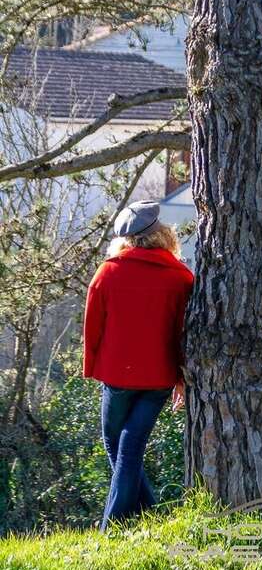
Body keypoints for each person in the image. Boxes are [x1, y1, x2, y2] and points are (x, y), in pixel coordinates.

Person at [82, 199, 194, 532]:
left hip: (117, 376)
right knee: (129, 448)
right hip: (160, 377)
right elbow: (185, 332)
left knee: (118, 445)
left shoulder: (108, 272)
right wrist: (181, 378)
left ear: (126, 240)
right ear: (163, 234)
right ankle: (151, 516)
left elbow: (93, 326)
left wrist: (92, 367)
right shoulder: (181, 277)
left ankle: (111, 528)